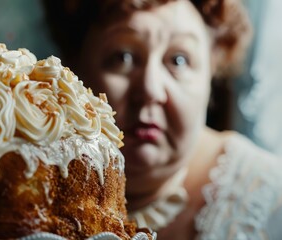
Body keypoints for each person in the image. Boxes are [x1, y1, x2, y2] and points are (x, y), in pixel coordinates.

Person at [41, 0, 282, 239]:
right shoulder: (31, 182)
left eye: (179, 60)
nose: (150, 90)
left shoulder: (272, 203)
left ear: (211, 71)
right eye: (123, 57)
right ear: (74, 68)